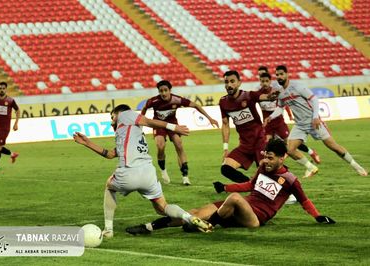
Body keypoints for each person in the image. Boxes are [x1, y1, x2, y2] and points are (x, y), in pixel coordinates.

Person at [125, 139, 335, 235]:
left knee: (233, 200)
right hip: (239, 206)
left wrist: (318, 216)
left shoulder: (289, 179)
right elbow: (250, 185)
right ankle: (149, 227)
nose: (266, 161)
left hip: (255, 218)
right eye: (265, 157)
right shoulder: (262, 167)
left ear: (283, 158)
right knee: (196, 212)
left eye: (271, 158)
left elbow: (304, 200)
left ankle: (208, 225)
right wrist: (225, 187)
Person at [73, 104, 213, 238]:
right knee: (162, 207)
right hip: (148, 175)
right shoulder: (130, 133)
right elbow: (110, 154)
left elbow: (148, 121)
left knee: (109, 186)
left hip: (129, 173)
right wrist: (87, 143)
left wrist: (173, 127)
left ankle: (108, 230)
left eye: (112, 117)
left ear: (119, 114)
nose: (111, 122)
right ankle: (189, 217)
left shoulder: (125, 115)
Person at [265, 65, 367, 177]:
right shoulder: (281, 93)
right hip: (300, 124)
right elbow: (280, 107)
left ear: (286, 74)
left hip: (313, 121)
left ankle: (357, 167)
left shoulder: (298, 87)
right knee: (289, 149)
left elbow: (314, 99)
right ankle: (311, 167)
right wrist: (271, 117)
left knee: (333, 146)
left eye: (281, 74)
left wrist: (315, 117)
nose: (279, 76)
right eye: (277, 75)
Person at [141, 80, 219, 185]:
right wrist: (140, 124)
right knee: (160, 146)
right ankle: (163, 171)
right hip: (158, 124)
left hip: (173, 125)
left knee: (179, 144)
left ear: (170, 90)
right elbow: (144, 109)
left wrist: (210, 118)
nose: (163, 93)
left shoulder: (177, 99)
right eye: (161, 91)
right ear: (158, 92)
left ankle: (185, 176)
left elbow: (195, 105)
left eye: (165, 90)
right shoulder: (153, 101)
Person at [218, 70, 278, 183]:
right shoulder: (223, 102)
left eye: (232, 81)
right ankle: (250, 184)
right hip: (245, 145)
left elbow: (264, 96)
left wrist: (271, 96)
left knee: (267, 170)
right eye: (226, 82)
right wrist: (225, 148)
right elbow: (225, 124)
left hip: (259, 141)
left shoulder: (248, 95)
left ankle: (289, 193)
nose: (229, 85)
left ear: (239, 83)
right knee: (226, 168)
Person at [256, 67, 320, 164]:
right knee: (267, 142)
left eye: (264, 74)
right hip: (268, 122)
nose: (264, 82)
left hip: (278, 121)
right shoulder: (258, 92)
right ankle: (273, 162)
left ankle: (311, 152)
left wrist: (289, 114)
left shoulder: (276, 89)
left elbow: (283, 104)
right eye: (260, 75)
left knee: (290, 143)